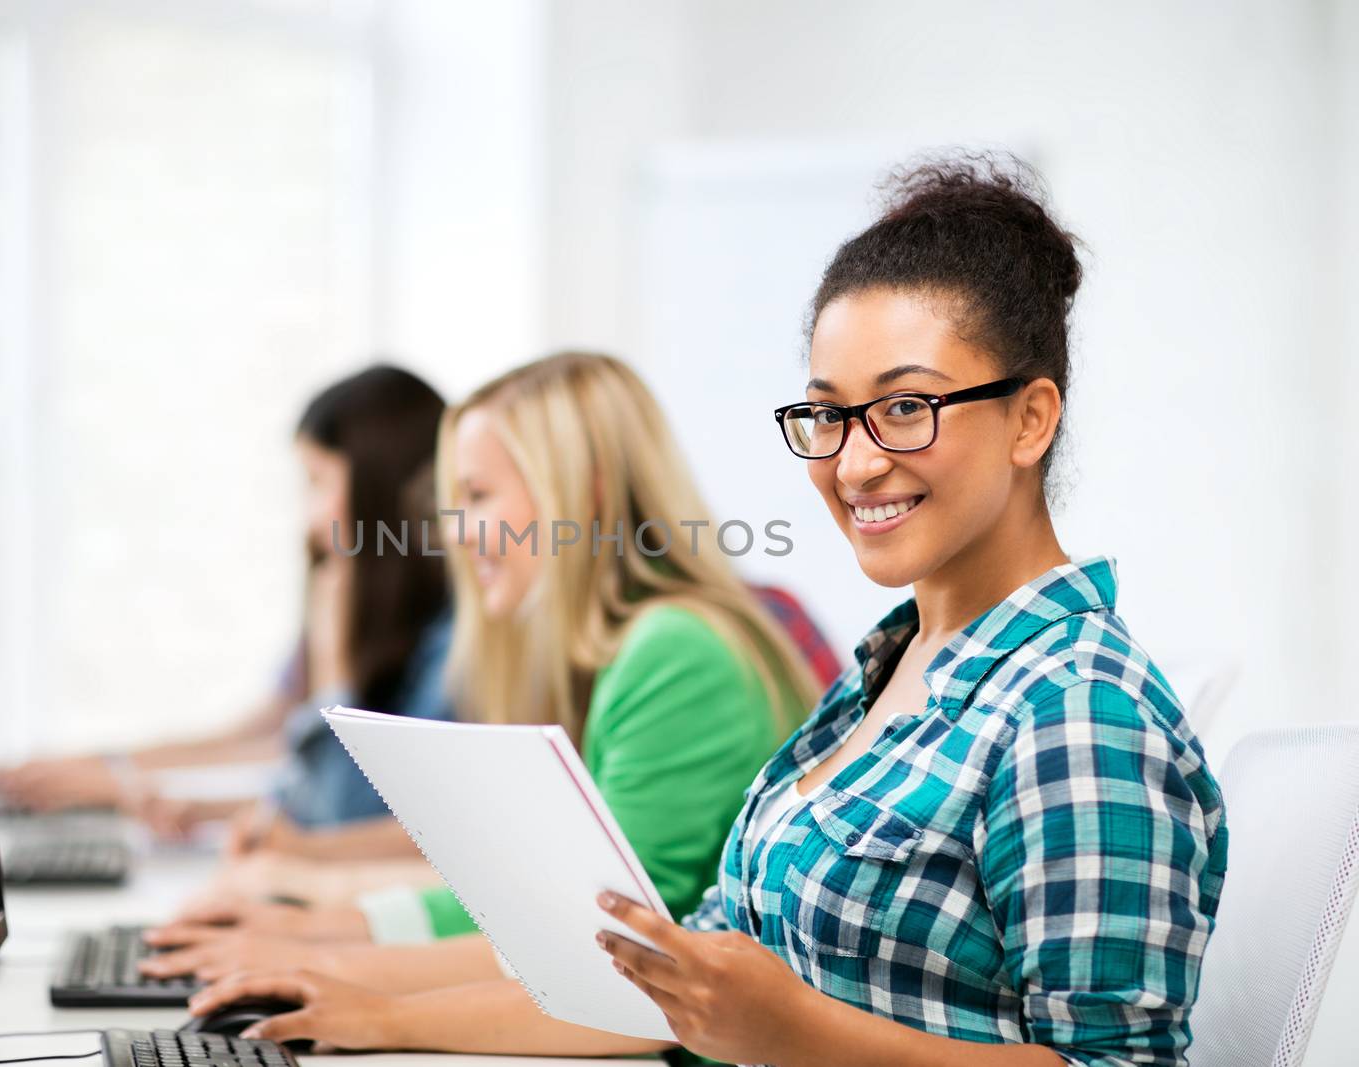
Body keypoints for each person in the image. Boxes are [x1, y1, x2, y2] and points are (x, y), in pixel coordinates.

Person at [181, 154, 1229, 1066]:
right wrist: (372, 1012)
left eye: (906, 407)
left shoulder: (1077, 711)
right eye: (825, 412)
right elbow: (674, 983)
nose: (855, 459)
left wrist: (789, 1028)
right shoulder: (885, 677)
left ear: (1029, 418)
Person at [138, 354, 817, 1031]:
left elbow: (610, 952)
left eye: (478, 495)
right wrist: (317, 937)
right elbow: (526, 909)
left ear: (587, 492)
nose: (454, 533)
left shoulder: (677, 651)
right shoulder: (609, 652)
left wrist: (358, 989)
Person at [0, 364, 456, 833]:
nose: (309, 521)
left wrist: (335, 666)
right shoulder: (352, 604)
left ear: (377, 491)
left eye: (317, 482)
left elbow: (345, 807)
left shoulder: (447, 644)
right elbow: (275, 734)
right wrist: (104, 768)